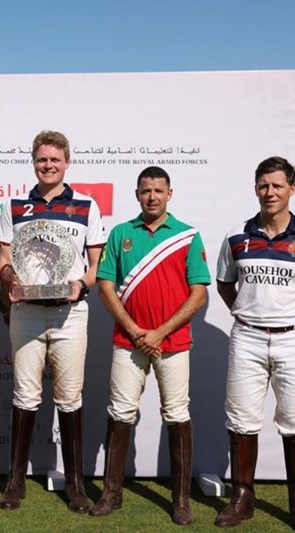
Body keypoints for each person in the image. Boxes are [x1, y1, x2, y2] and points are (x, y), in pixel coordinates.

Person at [214, 157, 295, 533]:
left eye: (277, 185)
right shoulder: (237, 236)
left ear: (291, 189)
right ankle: (242, 499)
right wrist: (247, 312)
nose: (270, 192)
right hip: (248, 338)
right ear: (256, 188)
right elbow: (225, 284)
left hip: (294, 341)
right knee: (241, 420)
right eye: (263, 185)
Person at [91, 166, 210, 525]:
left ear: (170, 194)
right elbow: (105, 287)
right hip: (128, 341)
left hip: (172, 342)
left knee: (176, 415)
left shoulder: (188, 236)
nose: (152, 197)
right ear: (137, 194)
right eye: (146, 191)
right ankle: (112, 494)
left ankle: (181, 500)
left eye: (159, 190)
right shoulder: (121, 233)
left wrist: (158, 332)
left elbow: (199, 294)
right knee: (120, 413)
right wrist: (136, 329)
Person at [0, 130, 106, 513]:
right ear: (33, 162)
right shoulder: (13, 208)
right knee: (24, 395)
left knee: (69, 397)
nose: (48, 166)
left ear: (66, 163)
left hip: (69, 314)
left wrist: (80, 284)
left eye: (55, 160)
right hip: (25, 313)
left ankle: (75, 485)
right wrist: (9, 279)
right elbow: (3, 260)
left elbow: (97, 267)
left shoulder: (86, 206)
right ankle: (15, 482)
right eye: (42, 160)